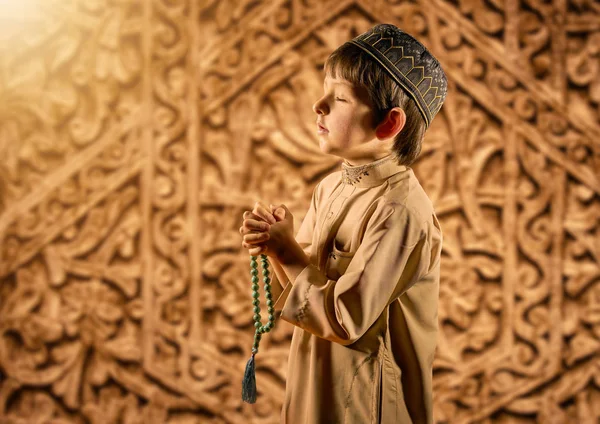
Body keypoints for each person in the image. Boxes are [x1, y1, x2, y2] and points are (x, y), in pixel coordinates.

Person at [239, 23, 446, 423]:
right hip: (315, 383)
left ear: (389, 123)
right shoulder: (331, 185)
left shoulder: (400, 210)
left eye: (340, 98)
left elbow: (344, 318)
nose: (318, 105)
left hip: (364, 400)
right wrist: (274, 245)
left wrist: (287, 251)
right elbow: (304, 294)